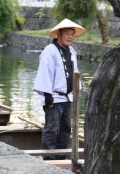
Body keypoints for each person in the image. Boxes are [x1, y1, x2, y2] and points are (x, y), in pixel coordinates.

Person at [33, 18, 85, 159]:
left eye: (72, 34)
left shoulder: (71, 51)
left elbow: (75, 72)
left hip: (67, 97)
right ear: (59, 35)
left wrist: (76, 92)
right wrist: (47, 95)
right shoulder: (50, 50)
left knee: (65, 129)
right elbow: (45, 72)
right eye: (67, 33)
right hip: (54, 98)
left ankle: (61, 157)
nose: (70, 37)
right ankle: (49, 158)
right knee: (52, 129)